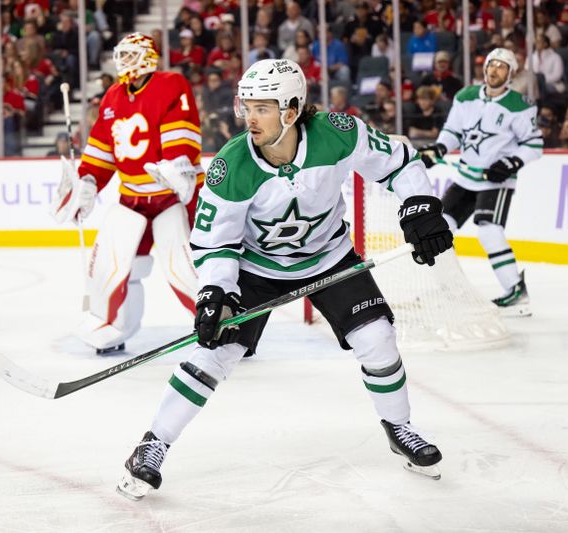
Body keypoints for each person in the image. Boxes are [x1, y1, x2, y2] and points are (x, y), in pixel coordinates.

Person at [115, 58, 453, 501]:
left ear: (291, 111)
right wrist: (216, 291)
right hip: (256, 269)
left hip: (329, 258)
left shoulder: (338, 133)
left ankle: (399, 427)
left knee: (378, 339)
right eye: (246, 107)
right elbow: (215, 242)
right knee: (214, 353)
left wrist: (420, 204)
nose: (249, 118)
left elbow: (399, 162)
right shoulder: (232, 165)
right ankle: (152, 444)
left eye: (262, 108)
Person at [63, 33, 202, 355]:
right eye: (121, 55)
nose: (123, 61)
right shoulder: (113, 95)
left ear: (147, 55)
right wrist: (88, 182)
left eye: (130, 54)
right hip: (133, 199)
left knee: (189, 268)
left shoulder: (171, 84)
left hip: (174, 196)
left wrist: (177, 165)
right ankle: (116, 327)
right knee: (119, 268)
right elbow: (102, 148)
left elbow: (181, 135)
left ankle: (223, 324)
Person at [418, 48, 543, 317]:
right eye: (492, 65)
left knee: (489, 231)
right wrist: (440, 148)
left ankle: (516, 291)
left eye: (502, 66)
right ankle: (445, 287)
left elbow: (534, 144)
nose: (495, 70)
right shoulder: (466, 96)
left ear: (510, 74)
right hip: (466, 178)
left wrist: (512, 162)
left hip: (497, 182)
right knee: (439, 228)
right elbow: (452, 131)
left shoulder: (520, 105)